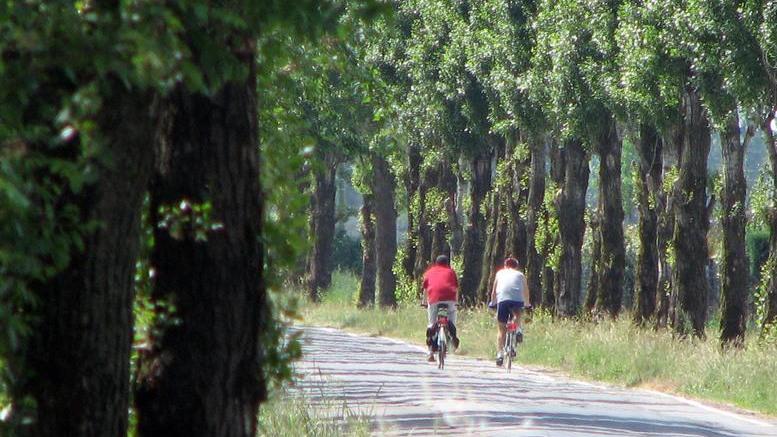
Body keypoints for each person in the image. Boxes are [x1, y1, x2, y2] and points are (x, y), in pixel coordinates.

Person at [489, 257, 529, 367]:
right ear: (516, 267)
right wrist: (527, 303)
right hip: (517, 300)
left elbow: (493, 292)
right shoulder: (520, 275)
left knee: (501, 330)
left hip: (503, 300)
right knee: (517, 315)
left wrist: (492, 302)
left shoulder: (500, 273)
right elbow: (526, 291)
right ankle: (517, 329)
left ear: (505, 266)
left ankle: (499, 354)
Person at [422, 254, 460, 362]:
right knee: (451, 317)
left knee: (431, 323)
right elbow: (456, 288)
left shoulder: (429, 272)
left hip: (434, 299)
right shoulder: (451, 272)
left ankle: (430, 352)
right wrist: (456, 302)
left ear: (436, 263)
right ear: (447, 263)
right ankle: (452, 335)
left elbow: (425, 289)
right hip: (450, 299)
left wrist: (424, 302)